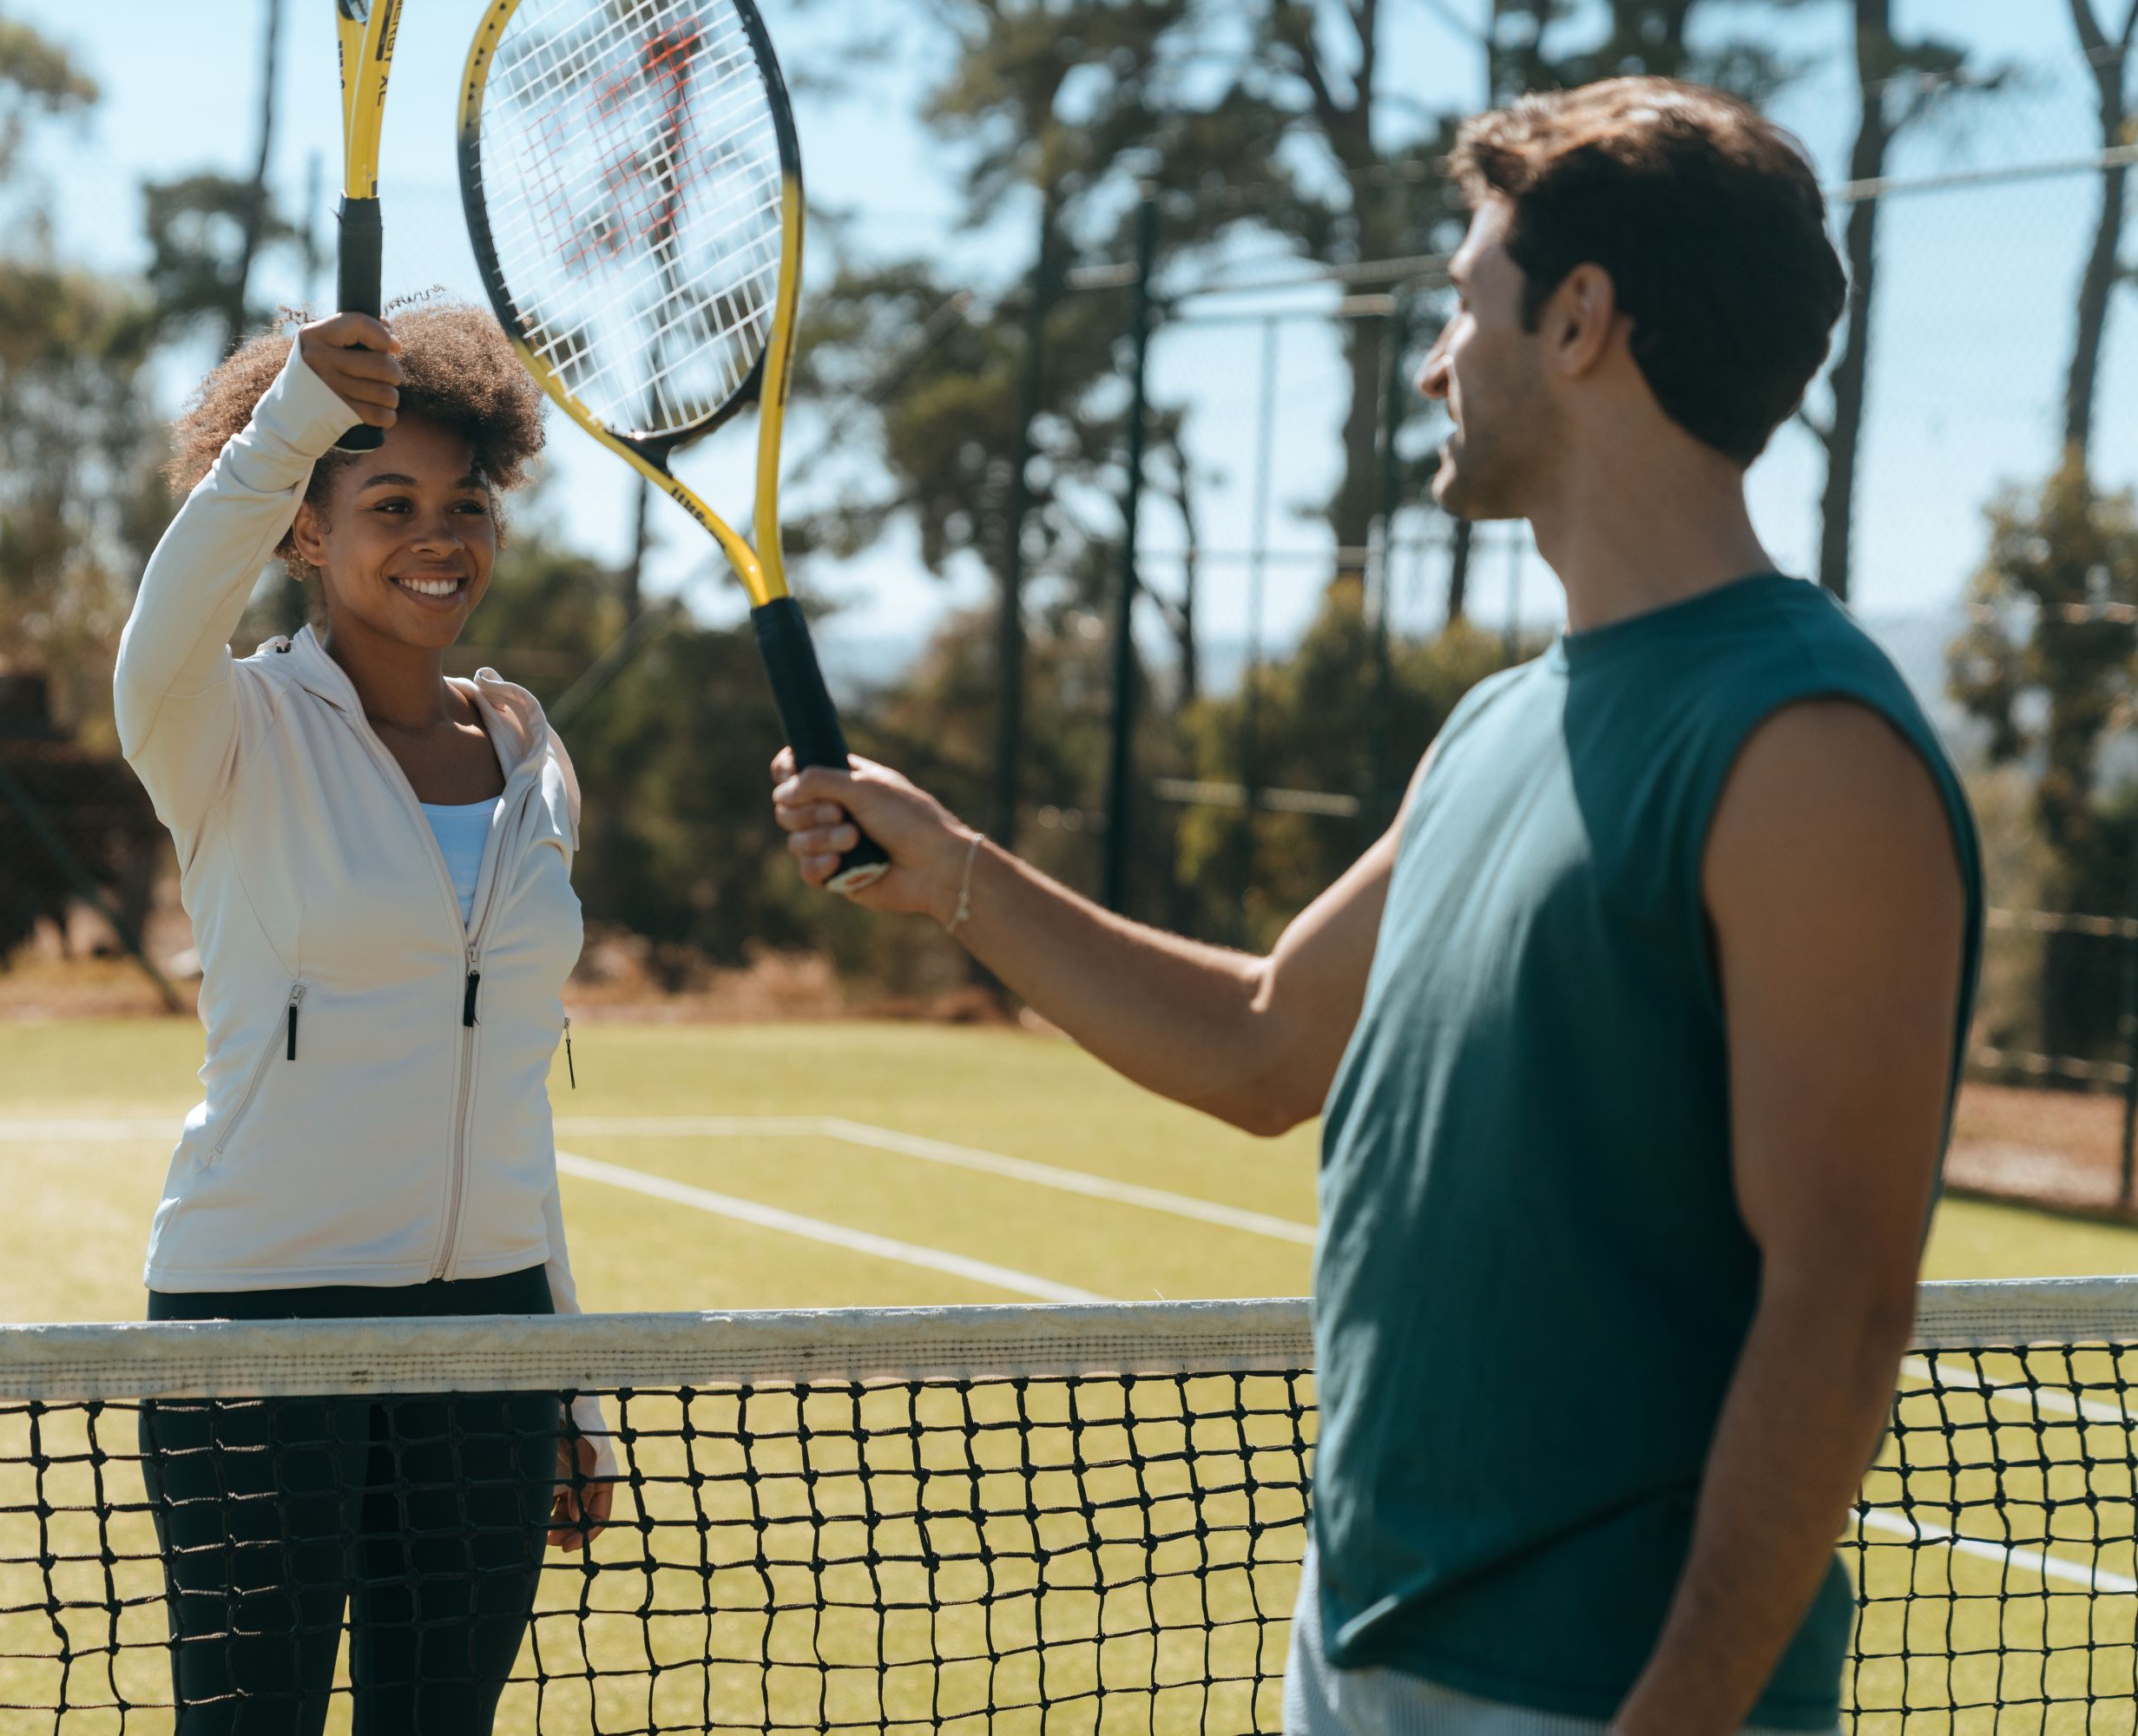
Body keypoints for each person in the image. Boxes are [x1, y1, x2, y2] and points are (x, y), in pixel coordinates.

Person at [773, 78, 1982, 1735]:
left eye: (1465, 302)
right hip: (1355, 1657)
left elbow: (1838, 1310)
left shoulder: (1809, 749)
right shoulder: (1494, 727)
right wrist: (955, 873)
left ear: (1579, 320)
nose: (1434, 363)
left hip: (1593, 1698)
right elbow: (1265, 1042)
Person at [113, 299, 612, 1733]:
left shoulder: (533, 759)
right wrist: (292, 420)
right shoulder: (221, 730)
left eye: (466, 503)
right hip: (258, 1322)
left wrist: (568, 1378)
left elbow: (506, 1098)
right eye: (388, 502)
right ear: (306, 533)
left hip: (490, 1341)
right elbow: (165, 621)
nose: (438, 536)